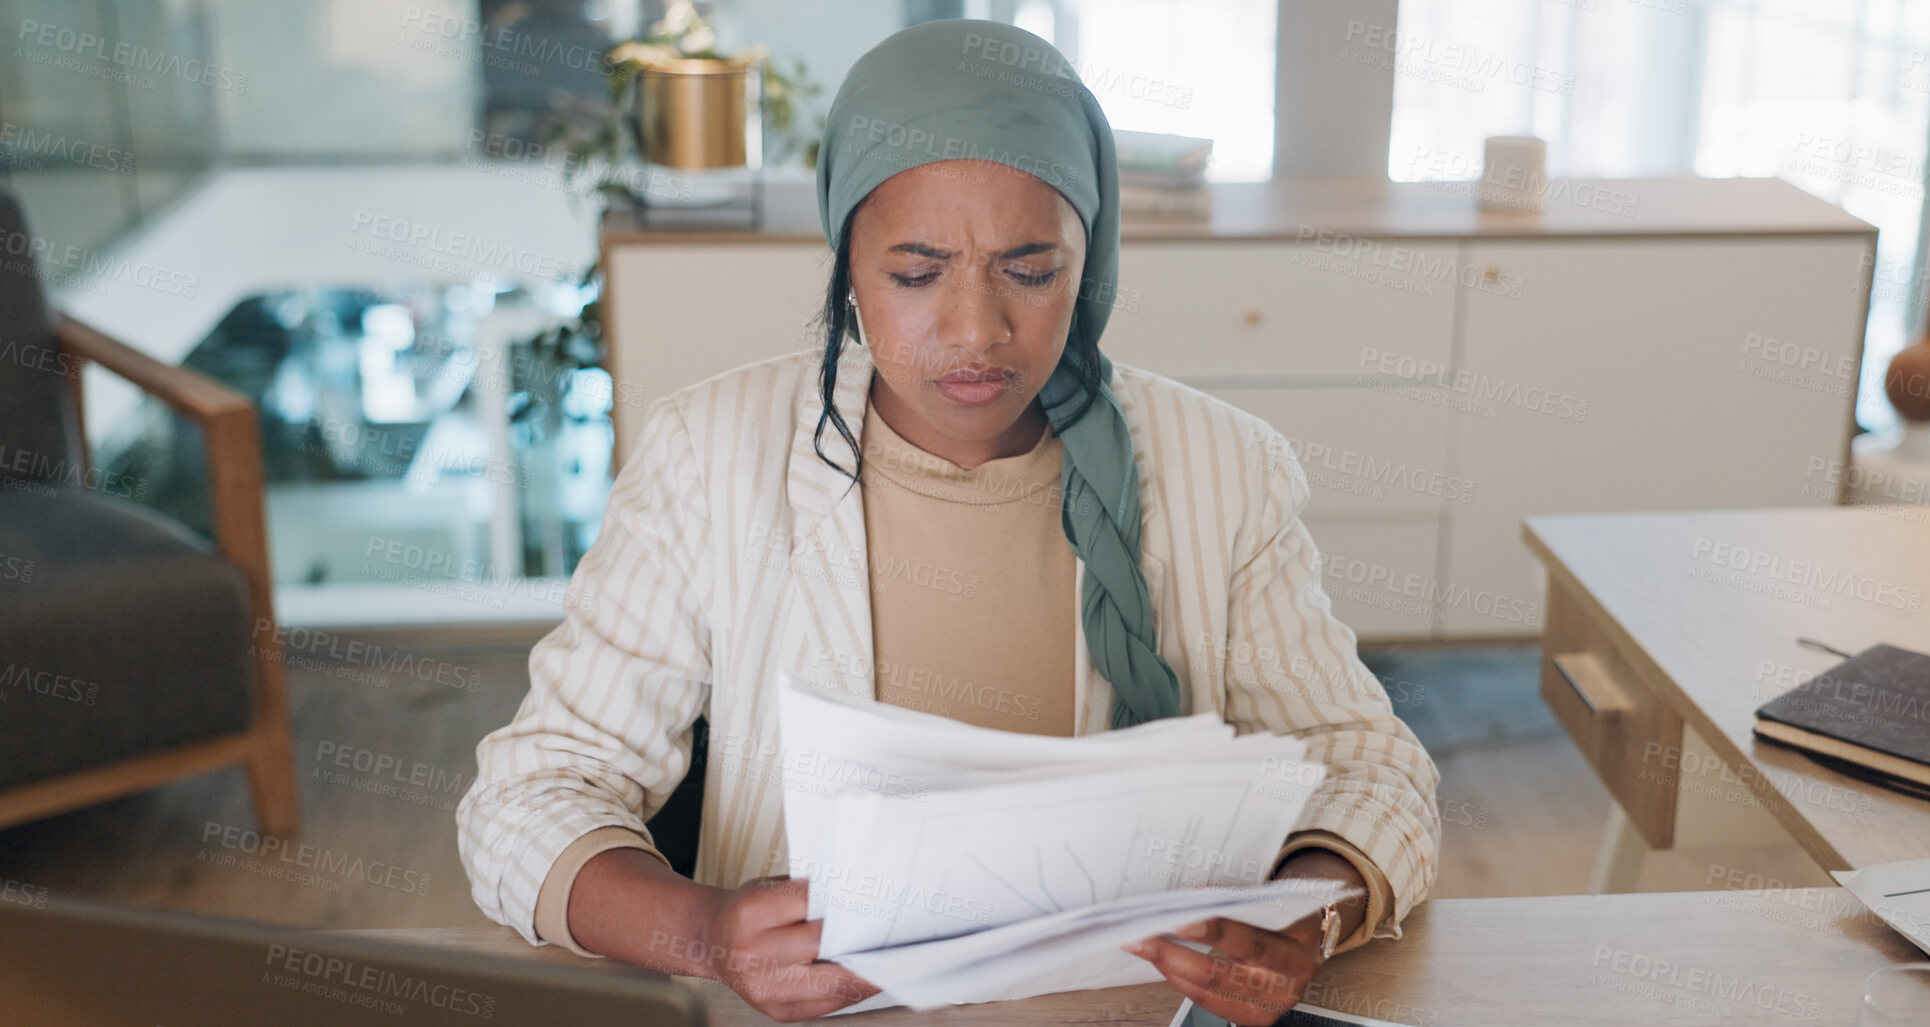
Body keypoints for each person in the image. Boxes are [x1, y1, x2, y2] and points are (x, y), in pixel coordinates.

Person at [457, 18, 1441, 1025]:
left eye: (1030, 268)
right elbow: (529, 800)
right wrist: (704, 931)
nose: (977, 332)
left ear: (1090, 262)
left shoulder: (1220, 465)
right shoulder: (710, 456)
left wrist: (1307, 915)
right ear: (847, 266)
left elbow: (1373, 770)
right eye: (916, 273)